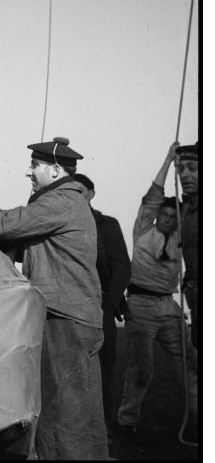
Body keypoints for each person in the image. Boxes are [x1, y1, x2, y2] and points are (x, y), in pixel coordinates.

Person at [0, 137, 108, 460]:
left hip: (64, 318)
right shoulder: (66, 201)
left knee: (62, 414)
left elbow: (4, 225)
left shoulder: (61, 202)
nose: (29, 172)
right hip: (73, 315)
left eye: (35, 166)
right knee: (79, 412)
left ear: (55, 170)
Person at [117, 142, 197, 436]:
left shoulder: (180, 234)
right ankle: (127, 421)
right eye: (161, 215)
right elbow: (152, 197)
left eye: (171, 216)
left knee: (192, 362)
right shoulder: (143, 228)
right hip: (140, 305)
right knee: (141, 369)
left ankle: (200, 420)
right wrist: (167, 160)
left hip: (168, 305)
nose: (165, 219)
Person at [71, 173, 131, 437]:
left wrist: (106, 306)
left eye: (81, 192)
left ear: (92, 194)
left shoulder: (107, 225)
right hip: (70, 309)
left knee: (104, 369)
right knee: (70, 370)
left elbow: (122, 269)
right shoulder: (65, 223)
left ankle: (106, 428)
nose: (76, 198)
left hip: (100, 309)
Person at [175, 142, 199, 348]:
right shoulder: (185, 209)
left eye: (193, 168)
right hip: (194, 292)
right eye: (180, 169)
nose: (184, 175)